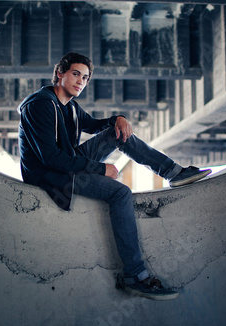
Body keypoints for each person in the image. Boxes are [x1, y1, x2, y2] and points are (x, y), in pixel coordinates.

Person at [17, 52, 211, 301]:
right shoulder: (40, 104)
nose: (80, 82)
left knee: (115, 132)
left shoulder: (70, 106)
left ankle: (174, 173)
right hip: (52, 176)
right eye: (76, 74)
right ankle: (135, 276)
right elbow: (49, 158)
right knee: (120, 192)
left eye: (85, 78)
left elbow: (95, 125)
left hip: (68, 162)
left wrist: (117, 119)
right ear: (60, 73)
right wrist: (100, 169)